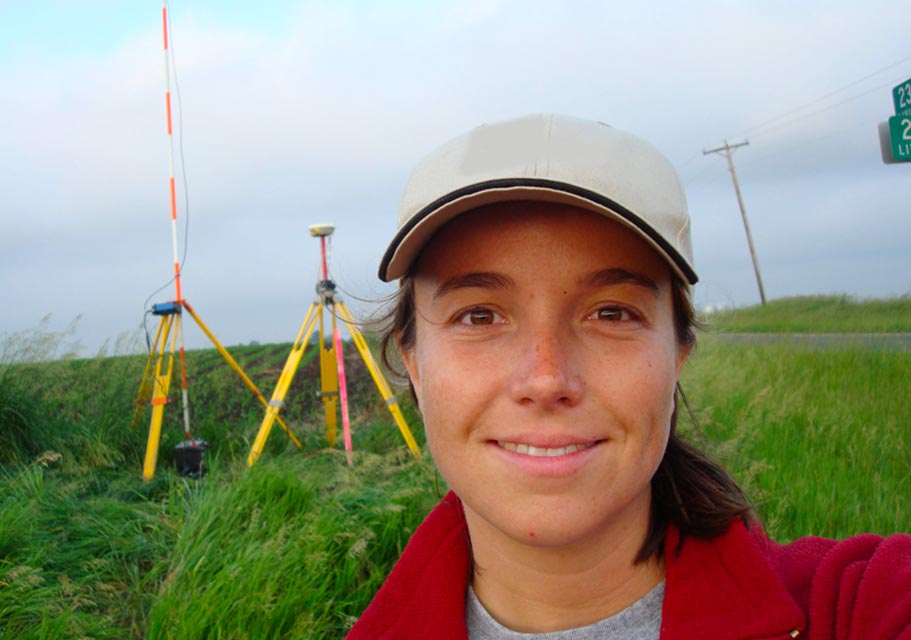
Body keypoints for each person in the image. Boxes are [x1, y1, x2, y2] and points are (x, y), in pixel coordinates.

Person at [346, 114, 911, 639]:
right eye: (479, 316)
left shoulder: (853, 606)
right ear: (414, 363)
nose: (546, 379)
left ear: (678, 353)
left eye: (612, 313)